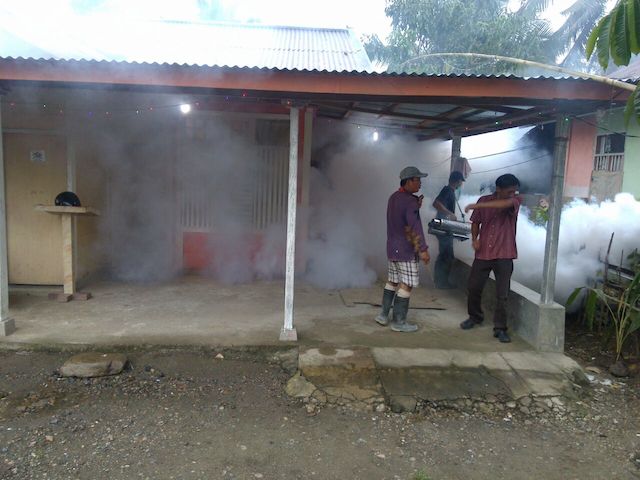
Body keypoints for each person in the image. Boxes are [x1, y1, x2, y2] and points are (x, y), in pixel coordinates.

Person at [459, 173, 521, 343]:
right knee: (473, 287)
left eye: (514, 191)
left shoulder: (515, 201)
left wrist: (476, 205)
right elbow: (475, 222)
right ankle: (475, 317)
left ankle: (500, 328)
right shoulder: (484, 200)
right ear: (498, 189)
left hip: (505, 254)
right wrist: (474, 239)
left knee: (502, 294)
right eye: (509, 191)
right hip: (483, 252)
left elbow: (504, 204)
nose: (512, 194)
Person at [374, 166, 430, 333]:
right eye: (417, 180)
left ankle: (383, 315)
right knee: (407, 284)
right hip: (405, 249)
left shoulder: (394, 197)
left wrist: (415, 205)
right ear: (408, 181)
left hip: (392, 247)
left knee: (392, 281)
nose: (420, 183)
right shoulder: (409, 201)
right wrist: (423, 249)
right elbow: (414, 226)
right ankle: (399, 322)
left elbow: (401, 215)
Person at [432, 170, 465, 289]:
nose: (461, 184)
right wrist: (450, 213)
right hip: (444, 228)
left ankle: (439, 281)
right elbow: (436, 204)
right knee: (446, 256)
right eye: (461, 181)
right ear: (458, 181)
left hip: (446, 227)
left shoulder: (450, 191)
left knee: (445, 255)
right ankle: (441, 282)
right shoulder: (447, 190)